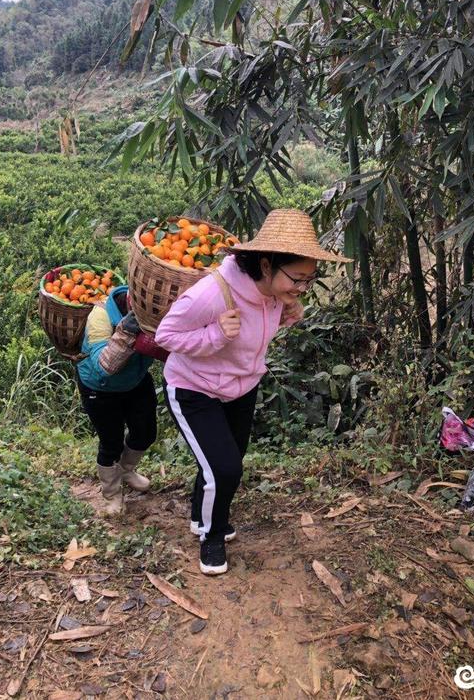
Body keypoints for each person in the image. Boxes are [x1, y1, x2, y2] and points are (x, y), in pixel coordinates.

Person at [155, 209, 351, 575]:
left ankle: (201, 516)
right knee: (225, 467)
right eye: (298, 279)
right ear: (266, 265)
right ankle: (211, 538)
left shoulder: (276, 295)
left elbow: (268, 323)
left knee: (225, 461)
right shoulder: (212, 293)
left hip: (242, 387)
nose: (302, 287)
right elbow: (166, 336)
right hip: (193, 388)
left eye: (309, 280)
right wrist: (214, 335)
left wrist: (293, 309)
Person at [76, 285, 166, 516]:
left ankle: (125, 470)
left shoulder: (159, 313)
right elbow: (104, 367)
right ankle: (111, 493)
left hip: (136, 381)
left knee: (146, 433)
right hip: (100, 387)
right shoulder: (101, 316)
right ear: (131, 299)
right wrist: (128, 329)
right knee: (111, 443)